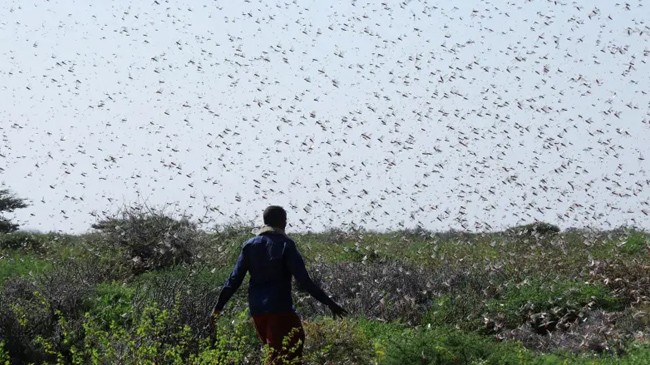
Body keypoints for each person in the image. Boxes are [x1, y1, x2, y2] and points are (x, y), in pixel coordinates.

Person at [211, 205, 347, 364]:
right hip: (280, 309)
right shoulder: (285, 244)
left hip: (257, 311)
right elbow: (304, 281)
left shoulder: (249, 246)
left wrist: (217, 308)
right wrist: (329, 302)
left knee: (276, 354)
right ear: (283, 222)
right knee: (287, 354)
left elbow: (234, 280)